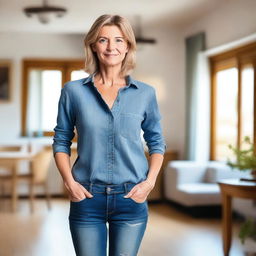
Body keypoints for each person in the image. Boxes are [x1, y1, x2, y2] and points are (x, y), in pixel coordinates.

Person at [52, 14, 166, 256]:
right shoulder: (73, 91)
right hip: (86, 197)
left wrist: (150, 183)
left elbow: (156, 142)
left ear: (127, 46)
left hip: (131, 197)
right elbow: (61, 139)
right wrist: (69, 182)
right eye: (103, 40)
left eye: (118, 40)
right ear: (93, 45)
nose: (111, 47)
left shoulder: (145, 93)